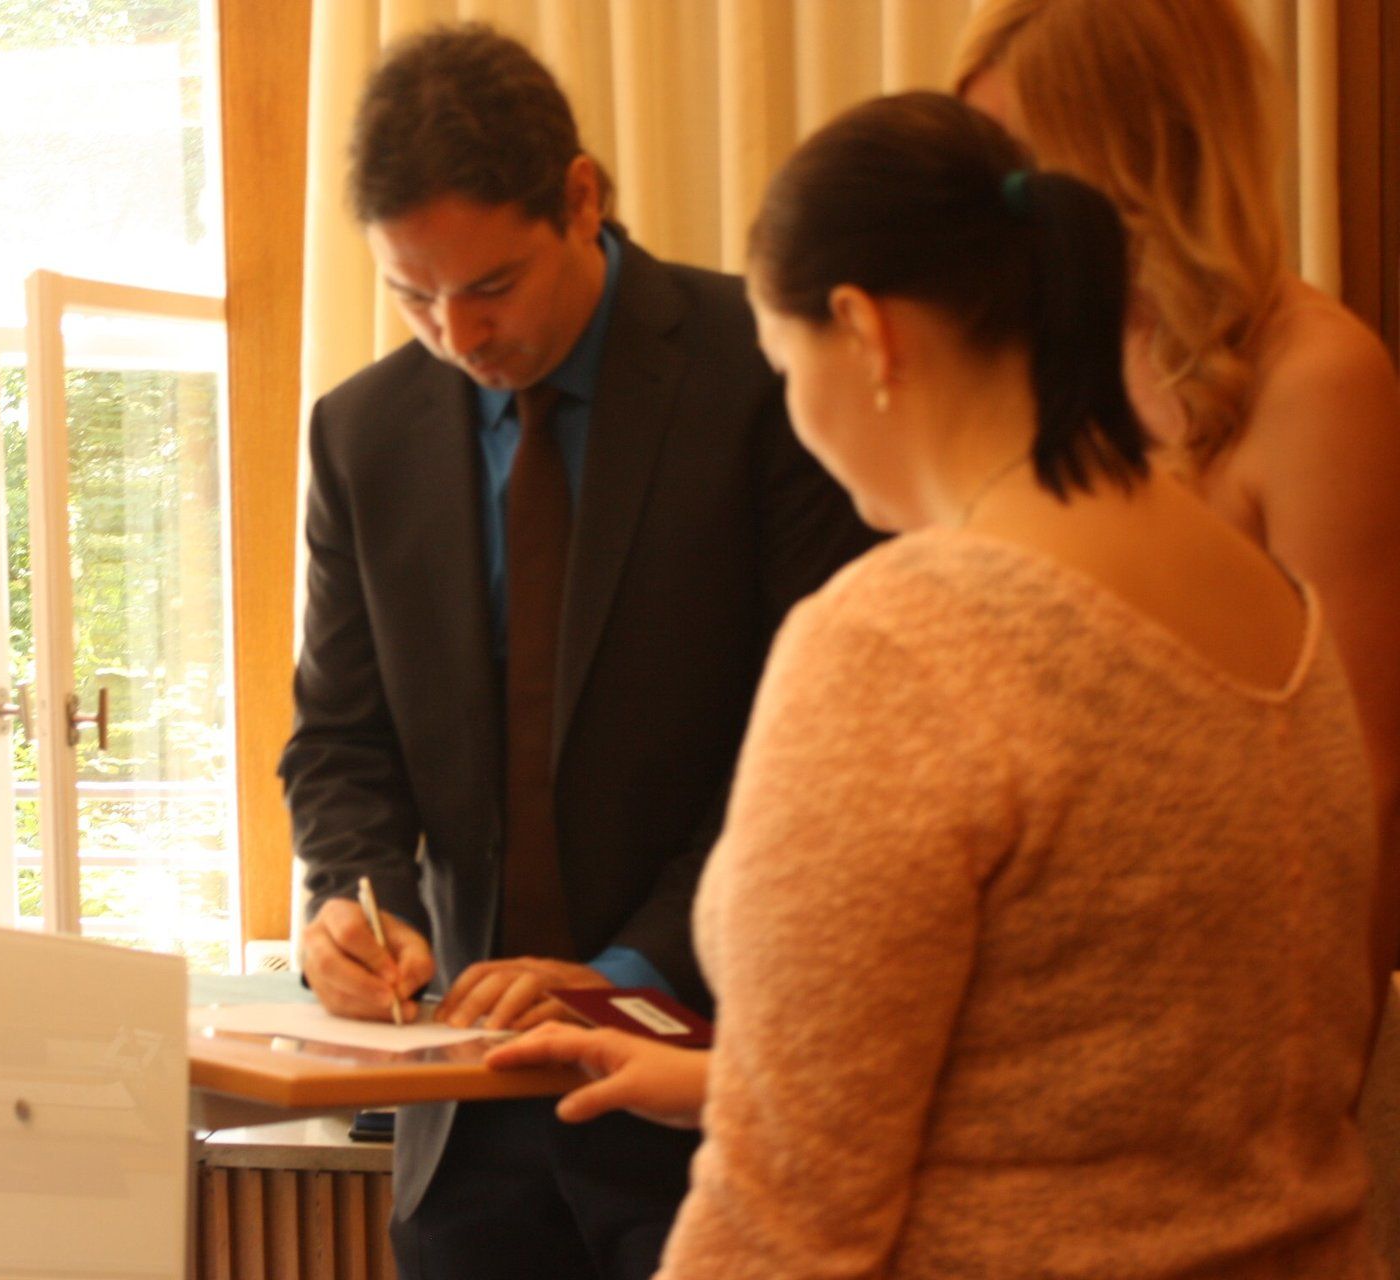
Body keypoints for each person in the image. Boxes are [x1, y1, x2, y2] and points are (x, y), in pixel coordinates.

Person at [490, 91, 1384, 1277]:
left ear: (865, 333)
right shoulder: (1271, 602)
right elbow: (1104, 1049)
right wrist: (733, 1081)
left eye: (783, 364)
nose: (793, 412)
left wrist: (761, 1126)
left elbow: (784, 1220)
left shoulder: (900, 636)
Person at [279, 24, 875, 1280]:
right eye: (412, 295)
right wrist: (357, 899)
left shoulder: (767, 370)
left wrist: (620, 976)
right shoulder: (360, 434)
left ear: (583, 199)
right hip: (466, 1120)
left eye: (490, 285)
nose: (458, 333)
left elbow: (818, 745)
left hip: (712, 1075)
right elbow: (341, 739)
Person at [955, 0, 1400, 1006]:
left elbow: (1364, 779)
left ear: (1147, 149)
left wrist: (1326, 1054)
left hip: (1231, 978)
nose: (999, 213)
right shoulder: (1037, 351)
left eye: (1028, 167)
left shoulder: (1316, 377)